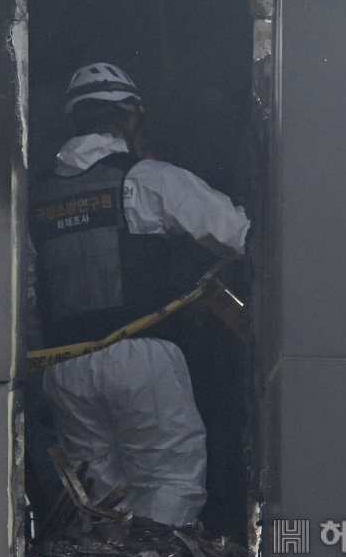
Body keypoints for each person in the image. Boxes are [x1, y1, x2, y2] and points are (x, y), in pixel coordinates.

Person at [32, 62, 249, 528]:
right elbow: (234, 233)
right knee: (172, 481)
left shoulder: (36, 197)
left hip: (64, 368)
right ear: (131, 118)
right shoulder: (147, 179)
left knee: (98, 498)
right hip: (140, 357)